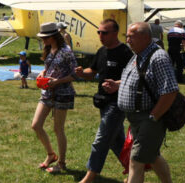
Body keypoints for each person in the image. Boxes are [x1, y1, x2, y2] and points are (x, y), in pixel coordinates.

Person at [102, 22, 177, 183]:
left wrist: (153, 117)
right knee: (153, 156)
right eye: (127, 36)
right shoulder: (138, 55)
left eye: (131, 36)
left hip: (150, 118)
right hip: (137, 119)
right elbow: (139, 80)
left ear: (145, 37)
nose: (127, 40)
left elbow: (170, 91)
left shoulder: (158, 57)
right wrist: (117, 84)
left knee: (136, 160)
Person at [74, 19, 134, 183]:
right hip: (103, 102)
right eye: (99, 32)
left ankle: (89, 177)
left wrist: (117, 85)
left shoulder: (125, 53)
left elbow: (134, 78)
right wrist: (81, 73)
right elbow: (91, 72)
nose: (101, 35)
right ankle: (134, 170)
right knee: (116, 142)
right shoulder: (101, 51)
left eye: (104, 32)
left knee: (101, 140)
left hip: (118, 103)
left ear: (115, 33)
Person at [31, 22, 77, 174]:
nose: (42, 40)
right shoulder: (49, 49)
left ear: (53, 36)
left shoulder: (66, 51)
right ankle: (51, 154)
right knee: (36, 125)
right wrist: (43, 73)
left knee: (58, 129)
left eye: (45, 38)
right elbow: (49, 67)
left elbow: (75, 74)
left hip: (63, 93)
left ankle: (62, 163)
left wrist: (58, 81)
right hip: (47, 92)